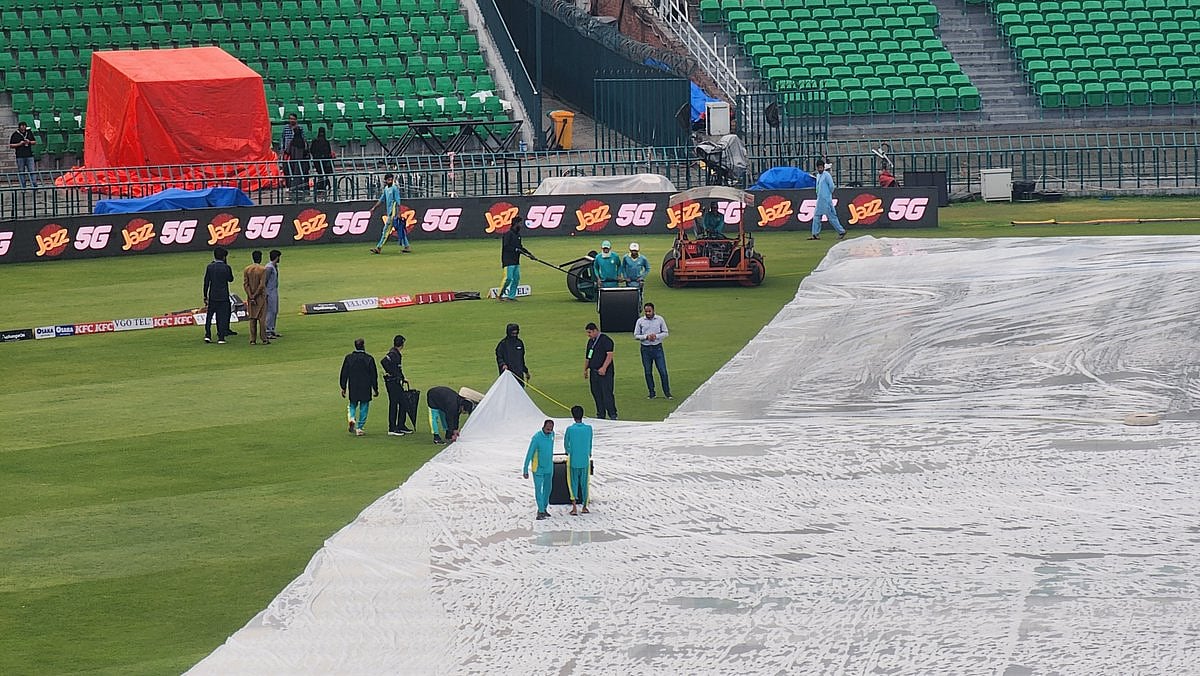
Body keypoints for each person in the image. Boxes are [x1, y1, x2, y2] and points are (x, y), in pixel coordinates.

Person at [340, 337, 378, 437]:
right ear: (363, 345)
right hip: (365, 387)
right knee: (364, 407)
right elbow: (374, 375)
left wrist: (343, 387)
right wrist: (375, 388)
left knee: (352, 404)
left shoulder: (349, 358)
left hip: (353, 386)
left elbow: (344, 373)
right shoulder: (369, 358)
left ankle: (352, 418)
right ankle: (359, 428)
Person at [633, 302, 671, 400]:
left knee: (663, 371)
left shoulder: (659, 319)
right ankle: (651, 392)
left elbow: (666, 332)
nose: (648, 313)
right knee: (648, 372)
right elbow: (636, 335)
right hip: (645, 349)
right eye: (646, 311)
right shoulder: (640, 321)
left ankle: (667, 392)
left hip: (657, 348)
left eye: (649, 311)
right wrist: (646, 337)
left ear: (653, 310)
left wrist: (656, 336)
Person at [522, 419, 556, 520]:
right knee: (538, 489)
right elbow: (530, 453)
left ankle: (544, 508)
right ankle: (540, 510)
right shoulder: (536, 438)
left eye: (551, 428)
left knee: (548, 489)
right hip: (538, 468)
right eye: (548, 428)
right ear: (543, 426)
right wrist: (525, 469)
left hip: (549, 467)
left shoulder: (552, 435)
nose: (549, 430)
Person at [368, 173, 411, 254]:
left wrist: (398, 213)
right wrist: (374, 207)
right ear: (386, 180)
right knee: (399, 229)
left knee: (386, 231)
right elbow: (381, 199)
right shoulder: (386, 189)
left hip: (393, 213)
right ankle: (407, 246)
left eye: (391, 179)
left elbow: (398, 202)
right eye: (388, 180)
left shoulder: (395, 188)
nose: (390, 181)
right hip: (390, 213)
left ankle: (379, 247)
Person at [563, 405, 593, 516]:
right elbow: (590, 442)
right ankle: (585, 506)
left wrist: (569, 451)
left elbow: (566, 444)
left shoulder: (570, 429)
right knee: (585, 483)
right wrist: (588, 453)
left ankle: (574, 507)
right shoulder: (588, 428)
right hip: (584, 459)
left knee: (573, 483)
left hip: (573, 459)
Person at [583, 322, 617, 420]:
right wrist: (585, 369)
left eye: (590, 332)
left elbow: (609, 355)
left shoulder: (606, 340)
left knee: (607, 393)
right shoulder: (590, 342)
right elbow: (588, 357)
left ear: (595, 330)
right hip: (594, 372)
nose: (588, 335)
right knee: (596, 393)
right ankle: (600, 413)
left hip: (605, 373)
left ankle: (612, 414)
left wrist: (604, 367)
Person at [380, 334, 413, 436]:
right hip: (392, 383)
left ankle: (400, 425)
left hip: (396, 381)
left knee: (403, 403)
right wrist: (392, 374)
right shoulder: (393, 353)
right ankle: (392, 428)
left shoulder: (396, 353)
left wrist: (402, 378)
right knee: (394, 404)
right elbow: (384, 361)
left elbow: (399, 369)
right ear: (402, 344)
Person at [202, 247, 235, 344]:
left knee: (209, 316)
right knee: (222, 316)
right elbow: (231, 279)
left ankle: (208, 335)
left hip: (213, 295)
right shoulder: (226, 267)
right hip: (223, 296)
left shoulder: (210, 267)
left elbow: (206, 282)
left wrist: (205, 295)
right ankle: (221, 337)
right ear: (224, 257)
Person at [809, 160, 847, 241]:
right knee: (817, 216)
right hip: (820, 199)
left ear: (823, 167)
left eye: (821, 167)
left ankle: (841, 231)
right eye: (819, 168)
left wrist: (828, 195)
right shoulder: (818, 175)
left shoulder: (827, 175)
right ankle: (815, 234)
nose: (820, 169)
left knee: (831, 217)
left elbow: (831, 186)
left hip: (826, 200)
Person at [498, 218, 532, 301]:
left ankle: (511, 296)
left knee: (516, 278)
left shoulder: (518, 235)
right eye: (520, 223)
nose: (521, 225)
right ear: (515, 223)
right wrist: (516, 250)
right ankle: (500, 294)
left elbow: (520, 247)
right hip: (508, 260)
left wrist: (529, 254)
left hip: (516, 260)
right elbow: (506, 246)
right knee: (508, 278)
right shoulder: (508, 234)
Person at [241, 250, 269, 345]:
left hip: (250, 297)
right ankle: (264, 338)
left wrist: (250, 295)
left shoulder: (247, 269)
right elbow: (262, 285)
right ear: (260, 258)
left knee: (252, 318)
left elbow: (245, 284)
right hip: (260, 297)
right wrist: (255, 295)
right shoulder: (263, 269)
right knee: (262, 318)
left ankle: (252, 339)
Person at [280, 114, 308, 192]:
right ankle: (289, 186)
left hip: (297, 155)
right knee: (287, 170)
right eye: (290, 119)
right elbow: (283, 139)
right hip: (288, 153)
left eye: (293, 119)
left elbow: (304, 139)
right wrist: (282, 150)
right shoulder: (285, 128)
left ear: (296, 120)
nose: (292, 120)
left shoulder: (300, 129)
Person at [9, 122, 37, 188]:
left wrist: (29, 142)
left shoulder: (29, 133)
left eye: (24, 126)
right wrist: (19, 144)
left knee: (32, 171)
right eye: (22, 126)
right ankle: (23, 186)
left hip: (29, 155)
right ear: (19, 127)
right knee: (21, 172)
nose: (23, 127)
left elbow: (34, 142)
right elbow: (11, 145)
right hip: (20, 156)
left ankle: (34, 185)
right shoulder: (15, 134)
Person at [264, 250, 282, 339]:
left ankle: (272, 329)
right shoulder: (269, 267)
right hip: (269, 291)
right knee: (270, 311)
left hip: (274, 290)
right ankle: (267, 331)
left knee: (274, 310)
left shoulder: (274, 266)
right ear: (277, 257)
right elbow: (265, 280)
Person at [310, 126, 334, 193]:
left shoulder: (315, 141)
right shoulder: (326, 142)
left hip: (317, 160)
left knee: (320, 174)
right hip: (325, 161)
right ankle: (324, 186)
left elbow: (311, 150)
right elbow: (329, 152)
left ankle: (320, 187)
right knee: (324, 175)